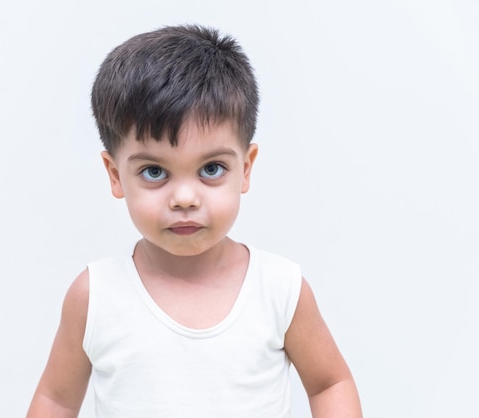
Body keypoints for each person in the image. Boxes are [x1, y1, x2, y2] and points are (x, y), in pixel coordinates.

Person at [27, 24, 362, 418]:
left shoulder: (279, 289)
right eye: (154, 172)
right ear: (115, 175)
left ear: (246, 168)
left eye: (211, 168)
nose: (184, 198)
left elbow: (329, 384)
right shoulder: (95, 296)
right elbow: (56, 399)